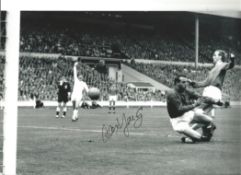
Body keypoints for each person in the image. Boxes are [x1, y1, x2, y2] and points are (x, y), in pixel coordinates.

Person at [166, 75, 216, 143]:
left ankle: (205, 135)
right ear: (177, 83)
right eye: (183, 82)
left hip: (187, 114)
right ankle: (187, 139)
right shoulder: (172, 93)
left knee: (209, 120)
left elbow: (199, 97)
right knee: (198, 137)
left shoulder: (185, 90)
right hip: (178, 120)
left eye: (186, 82)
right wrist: (194, 105)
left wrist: (215, 101)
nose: (185, 84)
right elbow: (179, 109)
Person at [190, 50, 235, 117]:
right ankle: (208, 124)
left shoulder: (222, 64)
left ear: (220, 57)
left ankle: (221, 104)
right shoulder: (213, 70)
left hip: (212, 91)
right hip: (211, 91)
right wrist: (196, 84)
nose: (212, 57)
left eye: (214, 55)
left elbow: (230, 65)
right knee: (201, 114)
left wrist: (232, 58)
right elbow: (206, 82)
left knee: (196, 110)